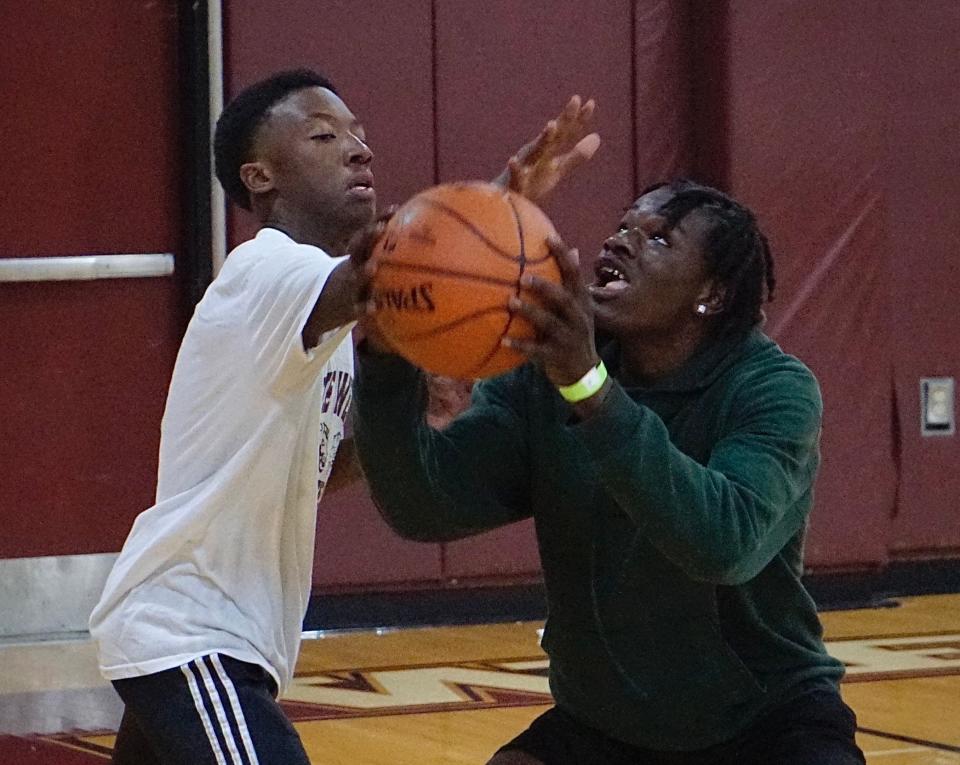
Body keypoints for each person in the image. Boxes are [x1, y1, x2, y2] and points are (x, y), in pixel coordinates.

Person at [88, 68, 599, 764]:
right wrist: (496, 212)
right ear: (260, 175)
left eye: (359, 136)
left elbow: (312, 473)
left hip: (210, 633)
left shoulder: (316, 323)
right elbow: (387, 271)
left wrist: (420, 406)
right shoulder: (266, 272)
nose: (359, 150)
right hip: (194, 631)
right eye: (324, 135)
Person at [352, 180, 866, 764]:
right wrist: (387, 361)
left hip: (763, 724)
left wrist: (590, 389)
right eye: (623, 227)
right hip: (603, 727)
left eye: (658, 240)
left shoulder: (774, 388)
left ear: (712, 294)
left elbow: (725, 543)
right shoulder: (542, 378)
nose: (621, 242)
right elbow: (424, 505)